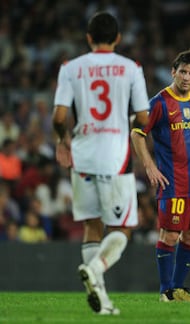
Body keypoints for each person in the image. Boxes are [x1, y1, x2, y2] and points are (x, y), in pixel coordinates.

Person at [52, 12, 150, 314]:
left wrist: (62, 140)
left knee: (92, 226)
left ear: (89, 38)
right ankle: (96, 268)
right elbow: (144, 117)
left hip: (81, 156)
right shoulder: (131, 69)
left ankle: (102, 302)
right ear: (118, 39)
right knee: (123, 228)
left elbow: (58, 117)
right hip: (114, 157)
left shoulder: (71, 68)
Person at [130, 49, 190, 302]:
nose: (186, 77)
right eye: (182, 72)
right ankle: (166, 290)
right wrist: (149, 166)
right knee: (171, 234)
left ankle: (178, 288)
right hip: (173, 182)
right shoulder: (158, 103)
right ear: (173, 72)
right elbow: (136, 133)